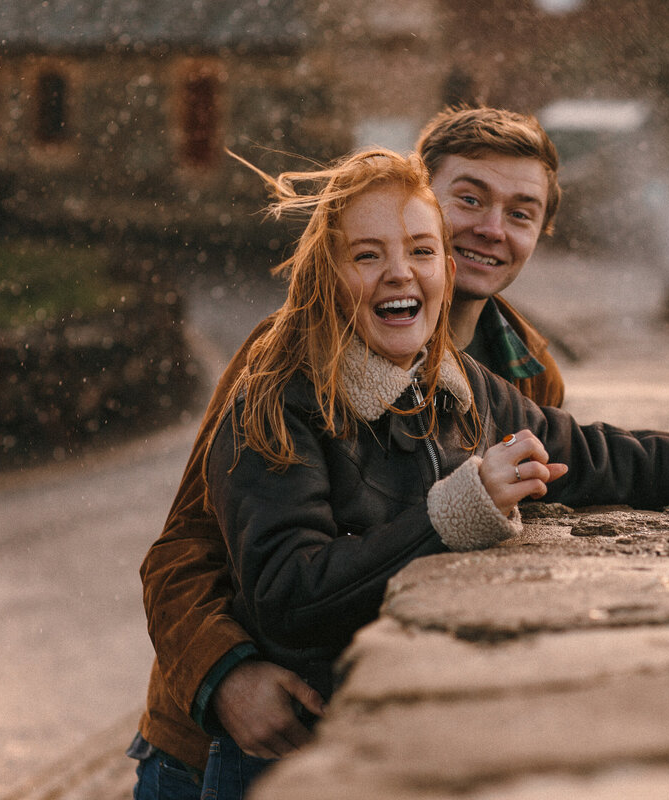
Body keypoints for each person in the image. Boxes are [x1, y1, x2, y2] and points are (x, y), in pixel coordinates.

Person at [200, 149, 669, 796]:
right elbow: (285, 596)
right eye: (367, 255)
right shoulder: (278, 404)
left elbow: (596, 455)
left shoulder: (461, 388)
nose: (400, 273)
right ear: (326, 276)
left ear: (446, 270)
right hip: (286, 761)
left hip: (421, 748)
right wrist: (454, 513)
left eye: (420, 252)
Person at [130, 106, 566, 799]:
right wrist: (229, 675)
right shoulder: (286, 357)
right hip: (222, 744)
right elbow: (180, 550)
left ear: (541, 232)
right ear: (417, 198)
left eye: (521, 211)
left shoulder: (528, 375)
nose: (491, 228)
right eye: (470, 198)